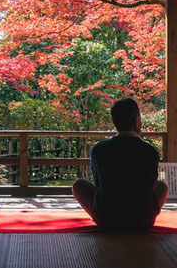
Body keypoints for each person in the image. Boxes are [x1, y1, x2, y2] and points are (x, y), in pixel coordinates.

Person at [72, 98, 168, 232]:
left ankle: (97, 217)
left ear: (115, 122)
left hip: (107, 220)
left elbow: (100, 185)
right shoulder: (150, 151)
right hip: (142, 221)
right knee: (162, 186)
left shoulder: (99, 149)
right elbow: (150, 186)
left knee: (79, 185)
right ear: (136, 121)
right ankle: (145, 217)